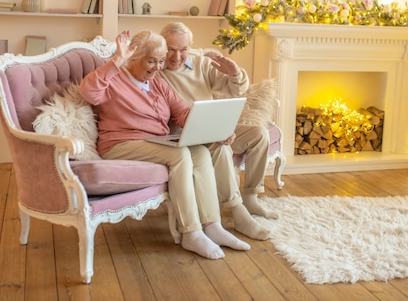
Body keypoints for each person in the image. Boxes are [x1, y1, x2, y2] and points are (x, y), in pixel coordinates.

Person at [79, 30, 250, 259]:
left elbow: (182, 112)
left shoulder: (158, 83)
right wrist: (116, 61)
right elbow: (88, 92)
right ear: (133, 58)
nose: (158, 67)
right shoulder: (114, 79)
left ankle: (212, 225)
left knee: (199, 151)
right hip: (120, 144)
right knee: (180, 155)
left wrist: (216, 132)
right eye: (151, 61)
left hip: (155, 143)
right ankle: (191, 232)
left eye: (160, 61)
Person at [159, 22, 279, 228]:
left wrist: (235, 74)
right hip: (182, 134)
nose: (176, 57)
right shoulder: (156, 69)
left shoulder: (201, 64)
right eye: (170, 49)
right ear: (162, 47)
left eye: (183, 50)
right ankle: (236, 208)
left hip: (211, 128)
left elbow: (236, 90)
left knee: (259, 134)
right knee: (220, 145)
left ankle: (251, 197)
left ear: (191, 47)